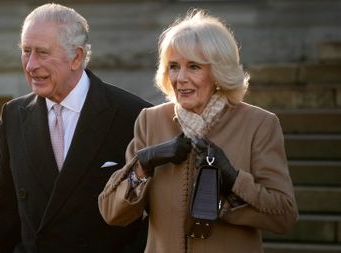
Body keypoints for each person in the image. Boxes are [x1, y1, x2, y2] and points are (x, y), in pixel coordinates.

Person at [99, 9, 298, 253]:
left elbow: (284, 215)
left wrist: (234, 180)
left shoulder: (259, 124)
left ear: (218, 72)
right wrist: (143, 164)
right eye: (173, 66)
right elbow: (111, 213)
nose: (180, 78)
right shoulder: (150, 121)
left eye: (193, 67)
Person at [0, 3, 151, 253]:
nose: (30, 65)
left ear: (76, 57)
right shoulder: (13, 115)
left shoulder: (134, 115)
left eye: (42, 53)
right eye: (26, 51)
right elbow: (2, 217)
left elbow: (154, 217)